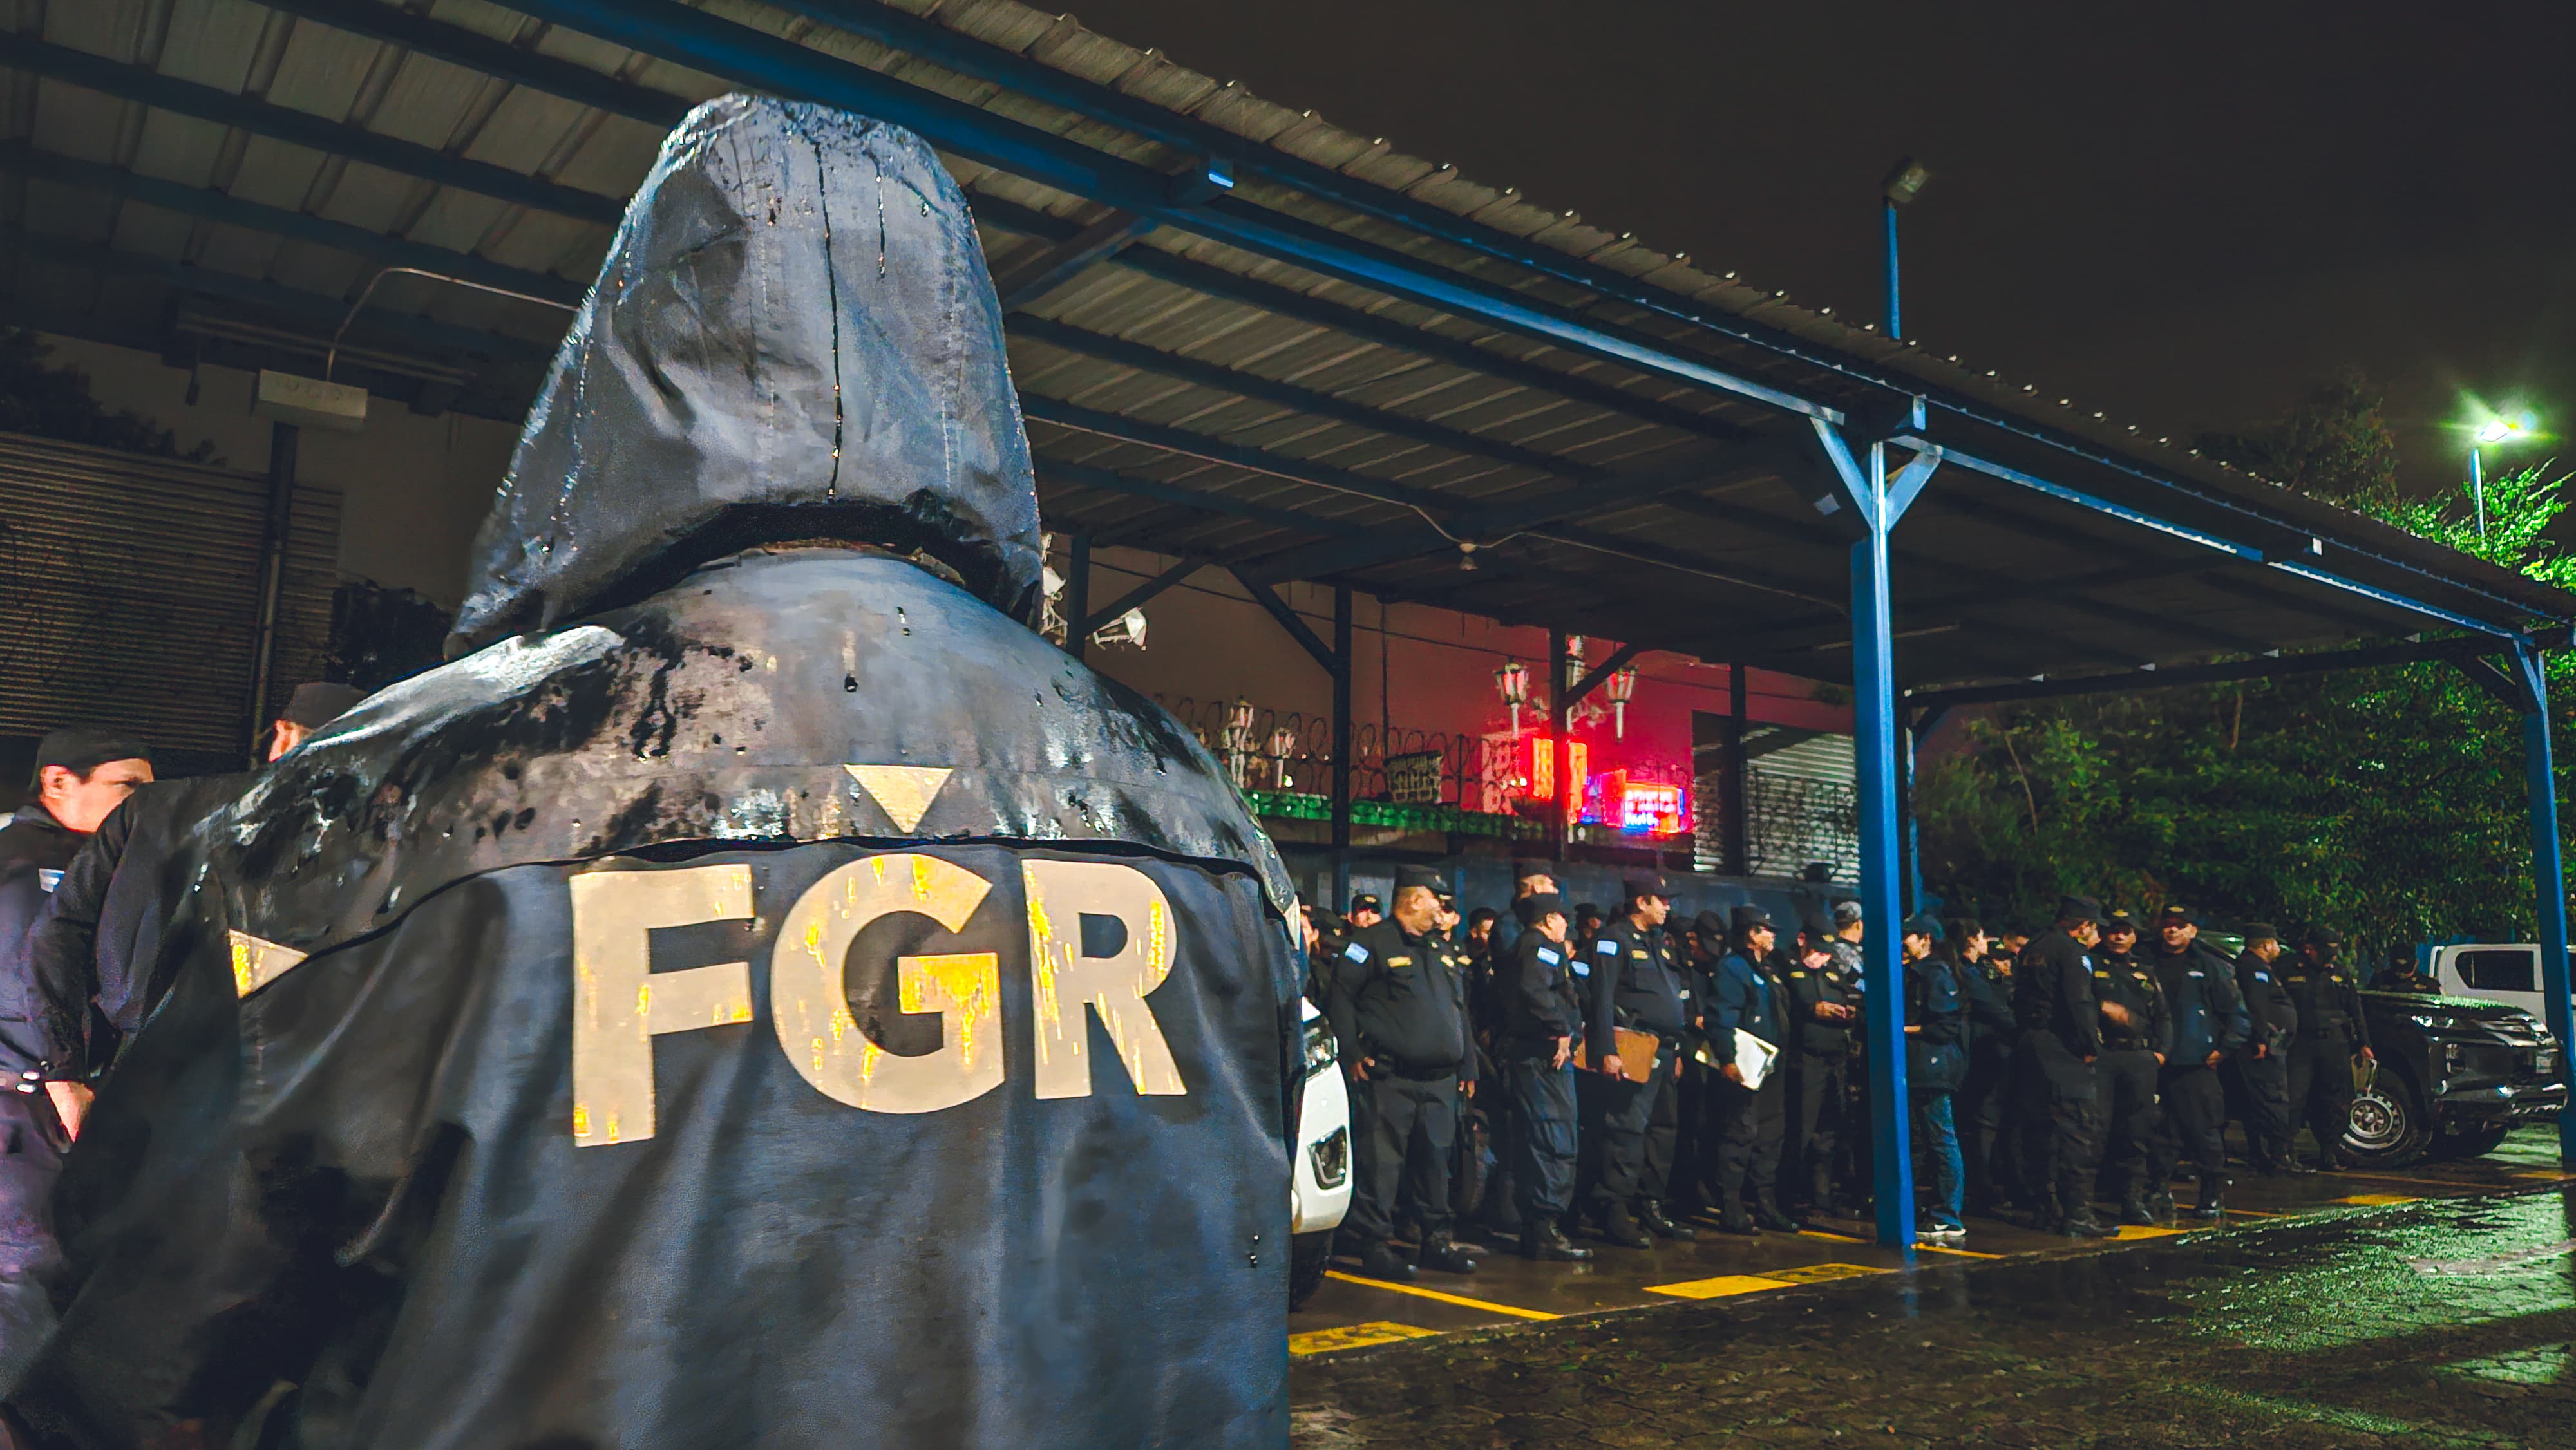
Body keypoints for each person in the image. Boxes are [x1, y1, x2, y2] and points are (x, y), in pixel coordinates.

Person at [12, 97, 1303, 1449]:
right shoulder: (1195, 811)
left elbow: (135, 1359)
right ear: (960, 373)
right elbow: (1236, 1251)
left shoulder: (389, 801)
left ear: (635, 362)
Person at [26, 684, 368, 1145]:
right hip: (257, 1086)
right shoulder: (358, 841)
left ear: (284, 734)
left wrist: (64, 1073)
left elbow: (59, 931)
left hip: (129, 1074)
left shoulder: (154, 808)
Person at [0, 728, 151, 1382]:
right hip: (28, 1107)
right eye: (127, 787)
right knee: (28, 1272)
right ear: (59, 781)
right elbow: (33, 984)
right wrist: (65, 1079)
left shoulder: (79, 862)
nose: (142, 806)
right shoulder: (33, 869)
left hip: (46, 1106)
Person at [1329, 865, 1479, 1280]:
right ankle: (1373, 1244)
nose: (1441, 909)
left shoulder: (1439, 949)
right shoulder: (1370, 943)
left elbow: (1458, 1010)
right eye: (1436, 900)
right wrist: (1352, 1051)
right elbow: (1340, 996)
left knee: (1436, 1162)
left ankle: (1436, 1240)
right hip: (1390, 1078)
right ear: (1414, 899)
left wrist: (1468, 1061)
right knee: (1382, 1164)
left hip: (1440, 1081)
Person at [1578, 874, 1692, 1248]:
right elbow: (1601, 998)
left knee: (1662, 1130)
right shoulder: (1613, 940)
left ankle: (1650, 1205)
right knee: (1626, 1131)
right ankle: (1613, 1210)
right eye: (1662, 900)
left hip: (1664, 1050)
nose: (1668, 906)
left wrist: (1676, 1051)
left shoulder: (1656, 942)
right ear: (1642, 902)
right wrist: (1607, 1050)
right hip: (1632, 1047)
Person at [2013, 896, 2116, 1237]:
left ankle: (2045, 1208)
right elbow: (2078, 1002)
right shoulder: (2072, 952)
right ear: (2083, 926)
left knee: (2038, 1131)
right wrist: (2090, 1046)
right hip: (2061, 1048)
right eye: (2095, 928)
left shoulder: (2035, 947)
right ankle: (2077, 1213)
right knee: (2077, 1130)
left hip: (2030, 1044)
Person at [1498, 892, 1591, 1261]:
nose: (1567, 925)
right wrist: (1560, 1028)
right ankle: (1543, 1227)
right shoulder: (1540, 947)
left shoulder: (1532, 947)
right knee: (1551, 1135)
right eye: (1563, 918)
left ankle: (1541, 1226)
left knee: (1550, 1134)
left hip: (1541, 1055)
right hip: (1543, 1056)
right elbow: (1535, 990)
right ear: (1550, 919)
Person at [2145, 905, 2248, 1220]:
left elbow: (2237, 1014)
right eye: (2168, 924)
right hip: (2153, 1062)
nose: (2172, 930)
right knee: (2157, 1132)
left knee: (2202, 1132)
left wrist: (2224, 1049)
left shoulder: (2210, 965)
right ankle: (2157, 1191)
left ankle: (2211, 1194)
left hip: (2194, 1064)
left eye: (2180, 925)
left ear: (2192, 930)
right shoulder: (2145, 961)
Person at [1705, 905, 1793, 1235]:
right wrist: (1727, 1059)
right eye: (1766, 930)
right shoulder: (1732, 968)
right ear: (1751, 934)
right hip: (1746, 1066)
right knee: (1739, 1135)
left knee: (1770, 1137)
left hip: (1770, 1066)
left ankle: (1765, 1205)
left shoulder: (1766, 969)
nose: (1772, 936)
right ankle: (1731, 1208)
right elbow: (1722, 1016)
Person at [2090, 910, 2170, 1224]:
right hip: (2103, 1056)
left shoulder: (2145, 971)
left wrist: (2160, 1054)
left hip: (2139, 1058)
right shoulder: (2089, 965)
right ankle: (2085, 1199)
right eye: (2113, 930)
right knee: (2095, 1129)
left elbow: (2162, 1015)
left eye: (2126, 931)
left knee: (2136, 1131)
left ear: (2135, 936)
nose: (2119, 936)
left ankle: (2132, 1198)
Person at [1780, 908, 1857, 1221]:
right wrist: (1813, 1008)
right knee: (1801, 1130)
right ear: (1802, 941)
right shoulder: (1788, 967)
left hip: (1834, 1058)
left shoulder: (1833, 971)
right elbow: (1787, 1005)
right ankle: (1791, 1195)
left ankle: (1821, 1194)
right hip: (1805, 1059)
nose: (1822, 956)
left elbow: (1850, 997)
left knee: (1830, 1130)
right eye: (1817, 949)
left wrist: (1849, 1012)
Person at [2284, 927, 2374, 1172]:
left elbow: (2355, 1009)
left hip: (2333, 1044)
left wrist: (2365, 1043)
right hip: (2300, 1044)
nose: (2330, 959)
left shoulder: (2340, 973)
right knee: (2294, 1098)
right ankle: (2286, 1153)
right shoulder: (2289, 969)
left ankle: (2329, 1152)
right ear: (2309, 949)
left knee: (2335, 1101)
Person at [1903, 917, 1968, 1241]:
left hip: (1932, 1067)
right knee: (1929, 1139)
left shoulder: (1935, 974)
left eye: (1908, 936)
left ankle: (1947, 1215)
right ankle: (1936, 1208)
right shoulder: (1920, 972)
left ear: (1925, 939)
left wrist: (1903, 1029)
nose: (1902, 942)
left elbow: (1944, 1026)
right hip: (1922, 1066)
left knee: (1941, 1138)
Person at [1952, 916, 2020, 1216]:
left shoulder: (1980, 970)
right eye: (1981, 937)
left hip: (1989, 1051)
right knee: (1982, 1121)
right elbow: (1993, 1008)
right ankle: (1981, 1187)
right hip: (1981, 1053)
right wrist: (2020, 1029)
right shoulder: (1965, 972)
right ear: (1971, 939)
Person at [2231, 923, 2301, 1175]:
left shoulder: (2258, 968)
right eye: (2275, 943)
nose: (2278, 948)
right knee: (2272, 1099)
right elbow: (2256, 1005)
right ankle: (2277, 1156)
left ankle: (2267, 1155)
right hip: (2266, 1046)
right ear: (2266, 945)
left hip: (2272, 1042)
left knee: (2267, 1098)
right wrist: (2261, 1038)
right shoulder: (2254, 969)